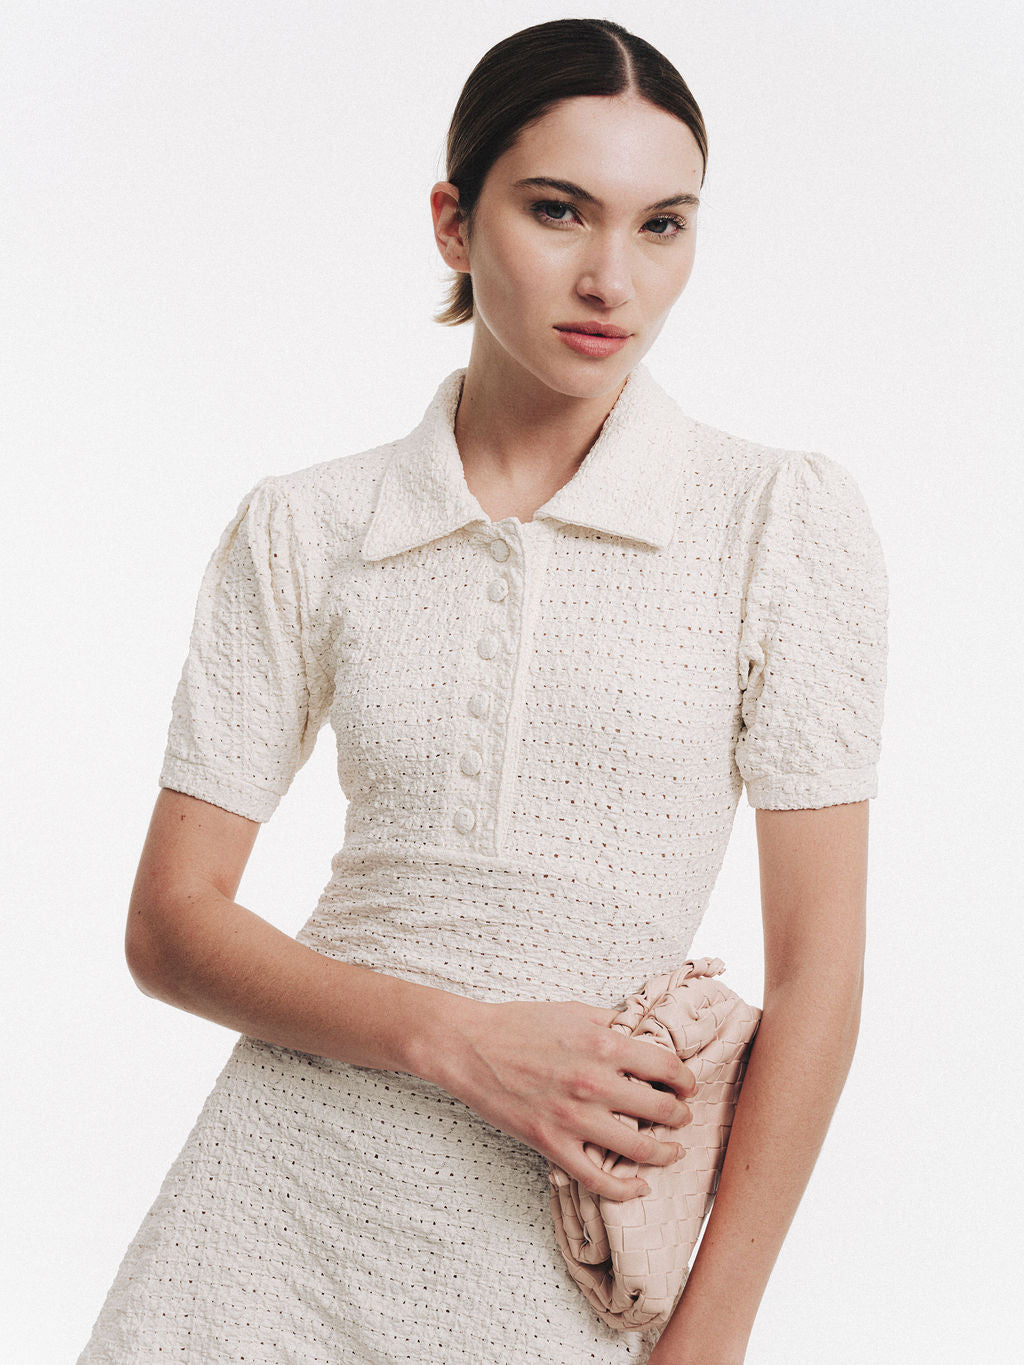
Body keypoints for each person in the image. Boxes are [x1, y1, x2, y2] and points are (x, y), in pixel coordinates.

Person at [78, 17, 888, 1365]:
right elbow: (169, 923)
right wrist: (458, 1039)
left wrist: (711, 1332)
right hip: (264, 1226)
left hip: (557, 1258)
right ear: (455, 223)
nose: (611, 278)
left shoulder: (776, 523)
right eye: (558, 211)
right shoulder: (306, 526)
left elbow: (822, 973)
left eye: (662, 225)